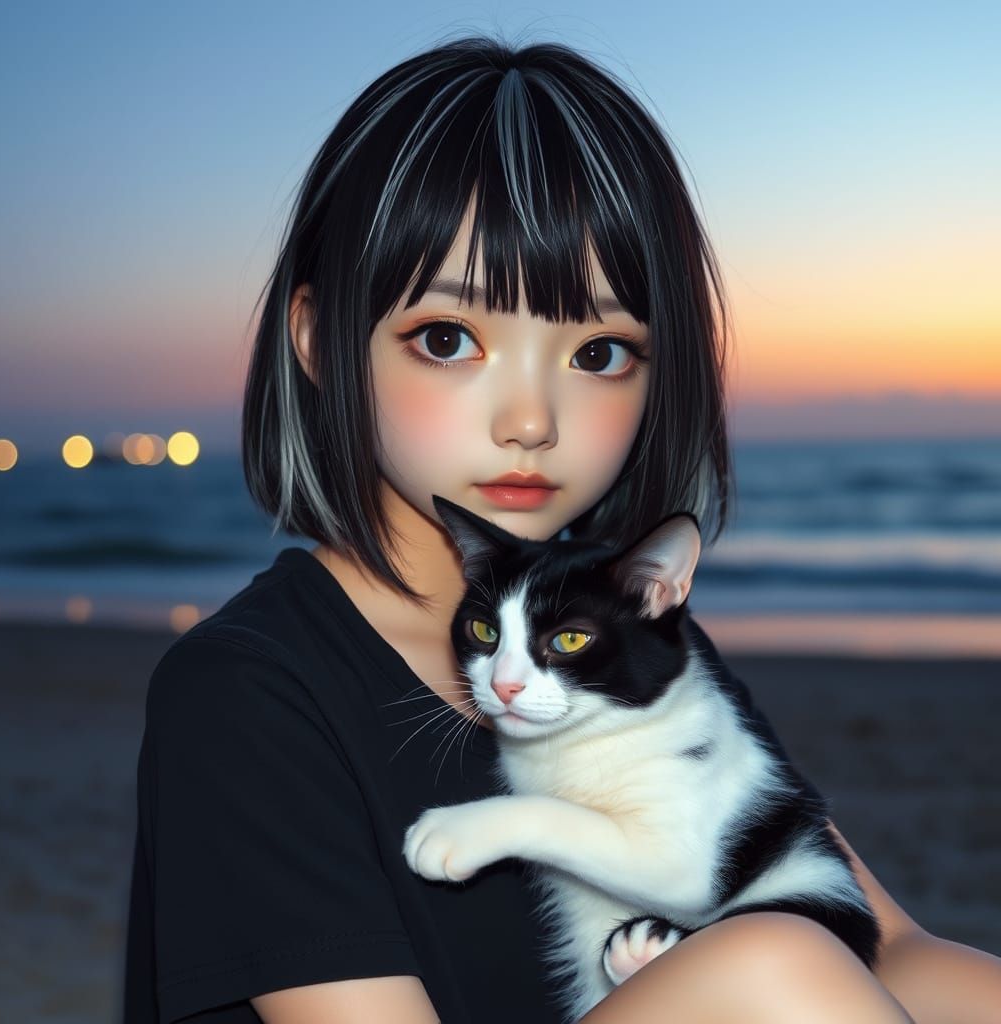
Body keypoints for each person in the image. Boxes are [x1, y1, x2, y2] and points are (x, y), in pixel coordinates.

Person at [122, 33, 1001, 1024]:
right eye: (448, 340)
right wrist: (757, 968)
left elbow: (890, 953)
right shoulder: (247, 692)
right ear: (321, 341)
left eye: (598, 352)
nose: (532, 420)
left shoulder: (620, 642)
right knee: (773, 967)